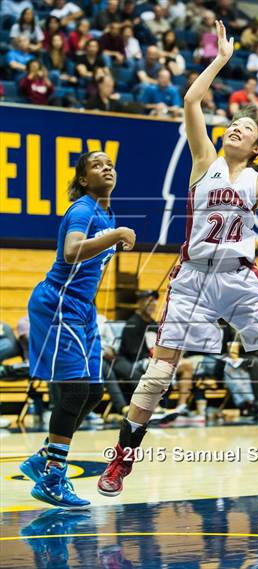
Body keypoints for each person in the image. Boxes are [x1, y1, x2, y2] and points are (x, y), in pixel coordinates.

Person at [97, 21, 258, 498]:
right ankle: (120, 461)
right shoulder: (204, 162)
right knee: (158, 374)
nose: (234, 128)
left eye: (245, 129)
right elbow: (192, 101)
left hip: (239, 279)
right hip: (193, 277)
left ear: (256, 147)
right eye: (233, 124)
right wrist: (220, 60)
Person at [19, 151, 136, 508]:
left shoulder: (106, 212)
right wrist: (115, 234)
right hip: (57, 306)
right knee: (72, 392)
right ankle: (53, 476)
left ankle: (42, 458)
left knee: (95, 391)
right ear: (84, 180)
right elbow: (71, 253)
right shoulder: (83, 210)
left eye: (110, 163)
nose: (107, 167)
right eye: (97, 165)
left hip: (81, 310)